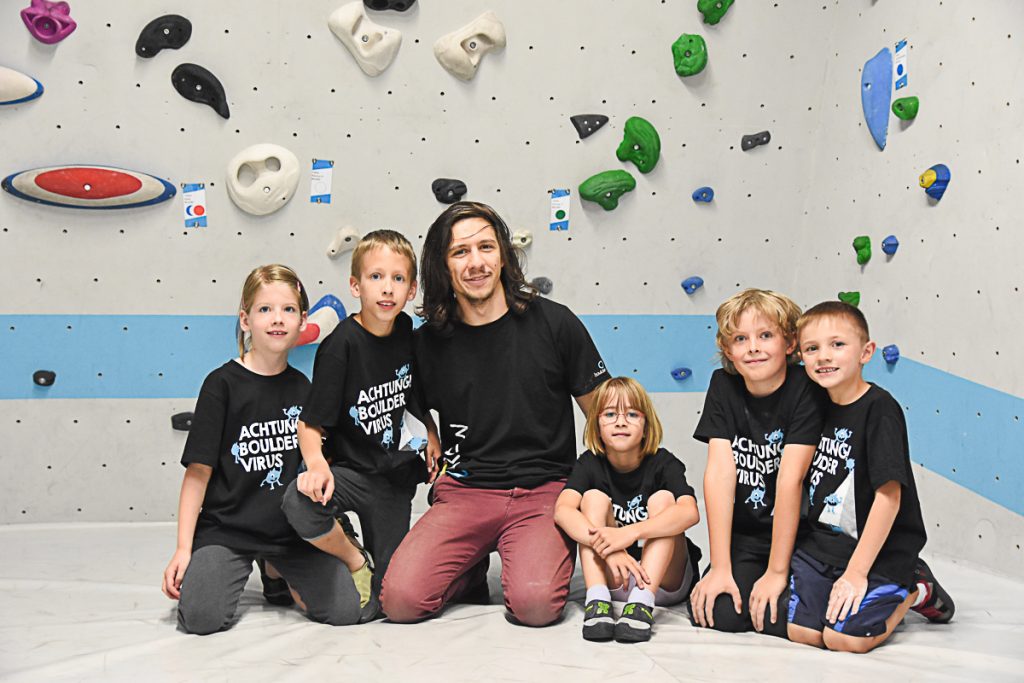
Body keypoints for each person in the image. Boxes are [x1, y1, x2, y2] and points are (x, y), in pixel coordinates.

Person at [381, 201, 610, 627]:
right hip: (466, 490)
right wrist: (427, 432)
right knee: (401, 602)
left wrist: (599, 491)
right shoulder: (428, 341)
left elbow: (605, 414)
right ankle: (466, 574)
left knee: (535, 608)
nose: (476, 262)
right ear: (443, 266)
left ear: (503, 254)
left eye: (485, 247)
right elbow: (407, 409)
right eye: (460, 252)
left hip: (545, 491)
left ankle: (514, 559)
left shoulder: (555, 324)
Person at [162, 265, 362, 634]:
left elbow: (317, 462)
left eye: (288, 310)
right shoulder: (221, 385)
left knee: (346, 610)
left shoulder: (304, 389)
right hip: (229, 530)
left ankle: (275, 572)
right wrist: (183, 549)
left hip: (290, 534)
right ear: (245, 319)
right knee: (201, 619)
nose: (277, 320)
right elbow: (197, 474)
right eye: (265, 309)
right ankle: (255, 564)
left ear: (304, 321)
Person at [787, 301, 954, 653]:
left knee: (842, 639)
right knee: (804, 632)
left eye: (837, 344)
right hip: (823, 547)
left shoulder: (879, 408)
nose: (823, 356)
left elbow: (889, 497)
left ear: (866, 352)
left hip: (879, 553)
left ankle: (914, 588)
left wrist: (856, 573)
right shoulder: (812, 403)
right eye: (812, 348)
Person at [281, 230, 425, 621]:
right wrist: (316, 464)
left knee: (387, 604)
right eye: (376, 277)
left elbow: (415, 399)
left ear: (411, 290)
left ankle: (375, 567)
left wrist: (432, 436)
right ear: (355, 285)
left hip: (392, 480)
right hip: (349, 472)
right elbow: (310, 424)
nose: (387, 289)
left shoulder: (408, 335)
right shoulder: (341, 346)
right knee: (298, 498)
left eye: (398, 279)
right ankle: (350, 551)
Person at [689, 288, 826, 637]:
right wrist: (720, 567)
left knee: (781, 615)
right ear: (727, 350)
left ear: (790, 343)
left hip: (802, 534)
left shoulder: (805, 389)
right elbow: (720, 475)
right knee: (721, 614)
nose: (753, 347)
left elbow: (790, 481)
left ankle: (909, 575)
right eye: (740, 338)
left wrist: (778, 573)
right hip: (749, 534)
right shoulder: (723, 385)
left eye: (765, 335)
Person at [554, 377, 700, 643]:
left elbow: (690, 513)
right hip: (614, 580)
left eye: (632, 414)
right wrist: (609, 550)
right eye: (610, 414)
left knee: (665, 500)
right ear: (597, 425)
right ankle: (597, 601)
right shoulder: (589, 464)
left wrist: (629, 534)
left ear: (646, 426)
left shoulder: (663, 463)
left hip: (664, 582)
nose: (621, 422)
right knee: (592, 499)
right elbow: (562, 511)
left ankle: (641, 604)